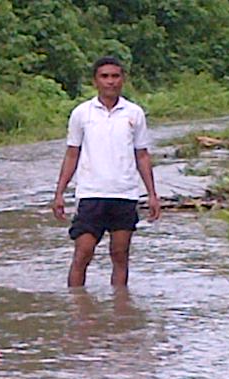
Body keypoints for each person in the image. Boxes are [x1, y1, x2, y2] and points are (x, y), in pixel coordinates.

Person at [52, 56, 161, 287]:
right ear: (95, 81)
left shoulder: (134, 114)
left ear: (123, 79)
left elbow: (142, 155)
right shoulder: (82, 113)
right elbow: (72, 153)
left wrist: (152, 194)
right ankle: (77, 310)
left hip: (125, 193)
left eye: (115, 76)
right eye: (105, 77)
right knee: (83, 254)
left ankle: (120, 311)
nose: (110, 82)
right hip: (91, 194)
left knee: (120, 256)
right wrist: (59, 193)